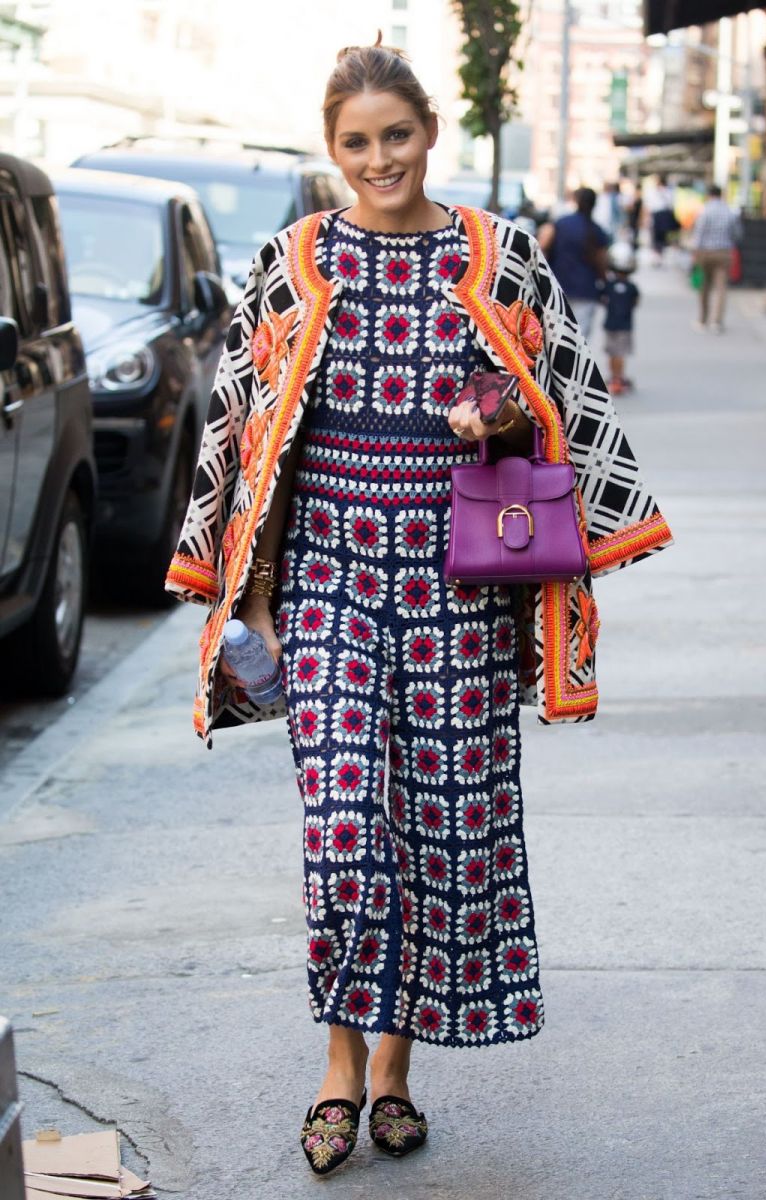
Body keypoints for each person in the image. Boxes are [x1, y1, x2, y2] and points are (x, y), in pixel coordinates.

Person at [165, 38, 672, 1177]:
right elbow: (243, 429)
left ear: (430, 133)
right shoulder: (293, 258)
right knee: (343, 834)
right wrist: (249, 598)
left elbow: (562, 397)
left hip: (460, 596)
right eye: (356, 142)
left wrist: (495, 414)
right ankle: (336, 1069)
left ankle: (393, 1074)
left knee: (439, 834)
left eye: (397, 135)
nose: (379, 158)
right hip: (329, 587)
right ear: (332, 148)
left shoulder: (500, 256)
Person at [537, 186, 610, 338]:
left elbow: (542, 246)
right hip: (586, 288)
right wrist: (604, 284)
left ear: (576, 201)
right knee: (580, 337)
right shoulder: (596, 230)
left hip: (558, 285)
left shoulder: (561, 224)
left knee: (556, 333)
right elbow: (602, 261)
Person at [690, 184, 742, 333]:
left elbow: (698, 234)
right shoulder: (730, 212)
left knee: (703, 287)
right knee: (721, 288)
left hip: (705, 252)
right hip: (724, 252)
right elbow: (737, 234)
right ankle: (717, 321)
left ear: (709, 195)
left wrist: (695, 253)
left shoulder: (704, 211)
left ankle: (702, 319)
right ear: (721, 195)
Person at [598, 241, 640, 396]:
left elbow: (602, 299)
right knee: (620, 353)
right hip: (625, 326)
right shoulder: (632, 287)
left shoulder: (608, 285)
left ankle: (613, 377)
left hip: (610, 324)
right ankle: (618, 378)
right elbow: (635, 302)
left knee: (612, 352)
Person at [646, 174, 678, 265]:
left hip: (659, 216)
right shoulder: (668, 192)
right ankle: (659, 255)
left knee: (658, 237)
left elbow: (650, 207)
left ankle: (658, 256)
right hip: (663, 216)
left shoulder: (658, 192)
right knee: (660, 237)